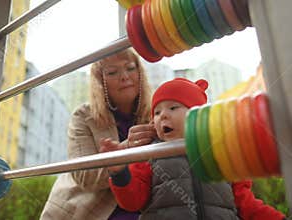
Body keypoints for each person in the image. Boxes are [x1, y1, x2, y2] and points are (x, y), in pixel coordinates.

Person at [100, 78, 285, 220]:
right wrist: (119, 173)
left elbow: (246, 204)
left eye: (173, 107)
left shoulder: (222, 152)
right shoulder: (149, 155)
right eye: (157, 112)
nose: (163, 115)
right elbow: (132, 201)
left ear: (197, 115)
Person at [40, 48, 154, 220]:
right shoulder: (84, 116)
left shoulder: (157, 115)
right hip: (90, 209)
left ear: (140, 73)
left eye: (130, 68)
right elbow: (83, 176)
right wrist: (125, 150)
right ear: (100, 82)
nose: (124, 76)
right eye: (112, 72)